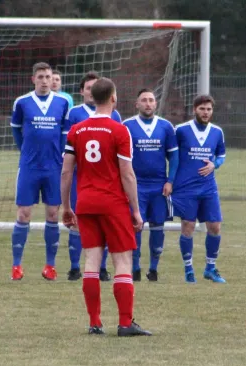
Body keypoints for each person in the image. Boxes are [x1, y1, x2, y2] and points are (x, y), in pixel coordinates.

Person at [61, 77, 152, 337]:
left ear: (92, 97)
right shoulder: (120, 130)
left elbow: (66, 172)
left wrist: (67, 206)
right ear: (113, 97)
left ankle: (94, 322)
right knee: (122, 261)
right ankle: (125, 323)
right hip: (113, 204)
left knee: (91, 260)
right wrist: (135, 210)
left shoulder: (76, 130)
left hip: (86, 203)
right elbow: (127, 174)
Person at [9, 62, 69, 281]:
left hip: (53, 167)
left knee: (53, 214)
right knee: (24, 214)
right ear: (33, 79)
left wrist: (61, 155)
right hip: (29, 167)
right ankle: (16, 266)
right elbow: (16, 129)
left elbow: (65, 132)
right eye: (41, 76)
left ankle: (50, 266)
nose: (45, 80)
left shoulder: (62, 103)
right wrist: (25, 150)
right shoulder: (22, 102)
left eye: (48, 76)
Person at [63, 71, 122, 282]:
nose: (91, 91)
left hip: (104, 179)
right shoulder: (74, 114)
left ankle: (102, 268)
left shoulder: (115, 116)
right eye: (88, 87)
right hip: (81, 177)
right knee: (78, 223)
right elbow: (68, 149)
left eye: (94, 87)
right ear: (82, 91)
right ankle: (74, 267)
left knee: (101, 223)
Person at [123, 88, 178, 282]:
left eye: (151, 100)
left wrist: (170, 181)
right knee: (135, 226)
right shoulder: (127, 126)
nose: (148, 103)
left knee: (157, 227)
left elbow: (174, 156)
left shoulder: (166, 127)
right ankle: (136, 268)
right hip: (136, 186)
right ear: (137, 104)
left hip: (159, 187)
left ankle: (153, 269)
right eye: (144, 100)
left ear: (155, 104)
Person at [171, 94, 226, 284]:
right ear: (195, 109)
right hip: (186, 187)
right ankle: (189, 270)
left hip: (208, 186)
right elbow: (171, 155)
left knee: (215, 226)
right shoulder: (181, 130)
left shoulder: (217, 132)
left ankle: (210, 268)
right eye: (202, 109)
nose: (206, 112)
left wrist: (214, 165)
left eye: (209, 109)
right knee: (188, 226)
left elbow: (221, 155)